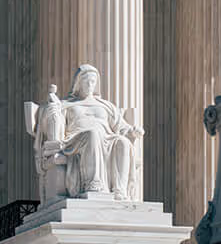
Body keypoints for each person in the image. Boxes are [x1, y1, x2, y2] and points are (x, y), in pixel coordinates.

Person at [28, 64, 142, 202]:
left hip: (107, 138)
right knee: (93, 135)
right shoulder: (66, 104)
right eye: (86, 81)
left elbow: (121, 126)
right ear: (78, 83)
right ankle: (93, 184)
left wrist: (132, 131)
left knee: (123, 142)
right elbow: (50, 120)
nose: (90, 84)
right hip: (75, 141)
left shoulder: (106, 106)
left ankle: (120, 190)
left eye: (93, 81)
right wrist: (52, 107)